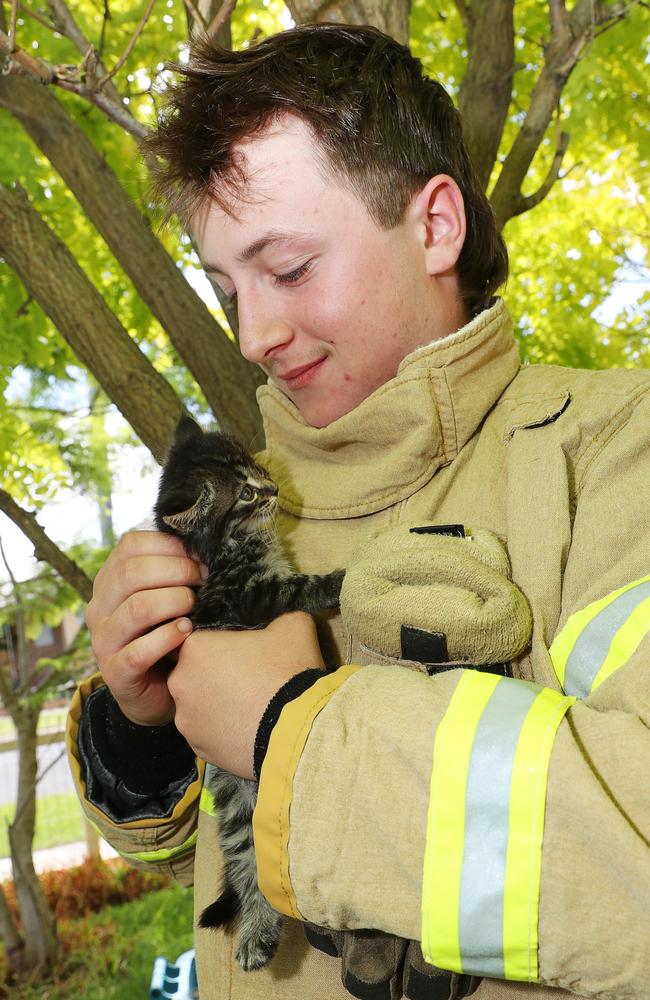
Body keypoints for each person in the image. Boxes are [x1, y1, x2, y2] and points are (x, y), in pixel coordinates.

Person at [67, 22, 650, 1000]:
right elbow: (200, 863)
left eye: (288, 269)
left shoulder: (613, 452)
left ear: (433, 226)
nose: (255, 333)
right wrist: (140, 724)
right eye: (226, 288)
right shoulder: (229, 517)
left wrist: (290, 727)